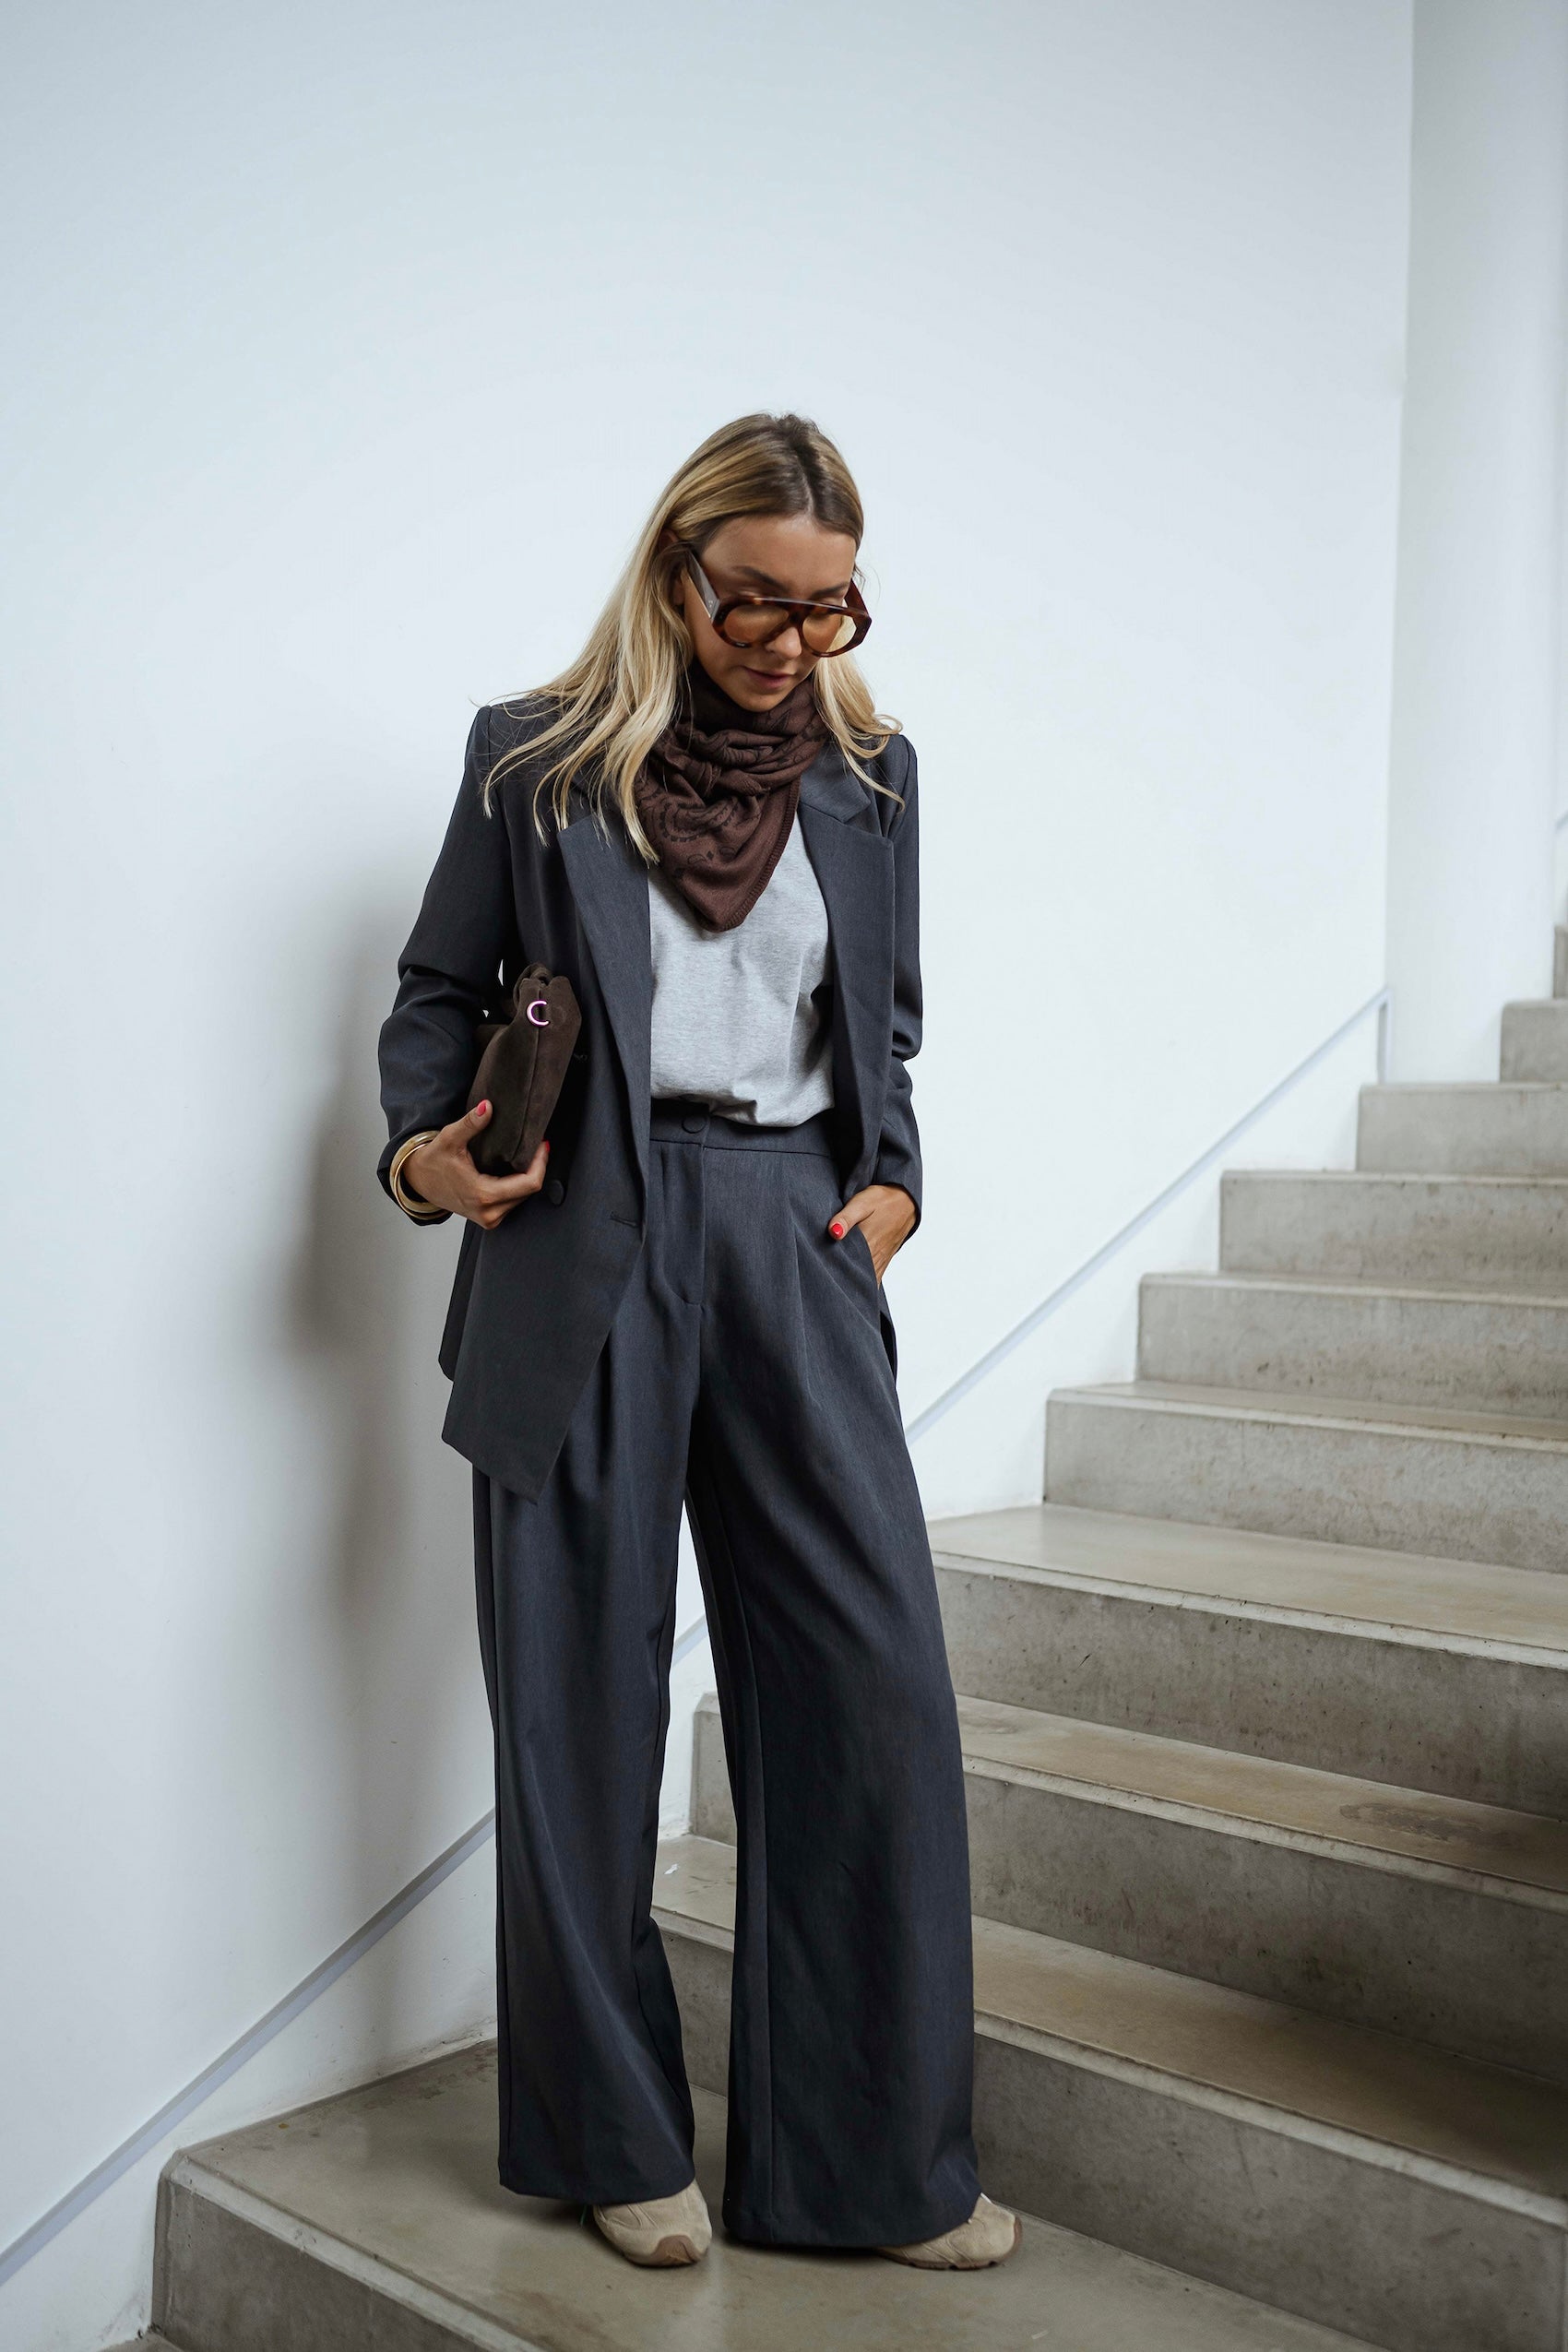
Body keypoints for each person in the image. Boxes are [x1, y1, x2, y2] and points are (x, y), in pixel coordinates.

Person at [376, 411, 1020, 2273]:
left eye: (833, 612)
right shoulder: (541, 759)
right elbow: (439, 987)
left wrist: (891, 1181)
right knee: (582, 1690)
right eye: (763, 605)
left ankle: (871, 2166)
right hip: (577, 1224)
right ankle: (612, 2139)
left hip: (791, 1233)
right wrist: (427, 1157)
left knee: (869, 1690)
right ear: (680, 572)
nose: (800, 645)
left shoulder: (873, 776)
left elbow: (882, 1021)